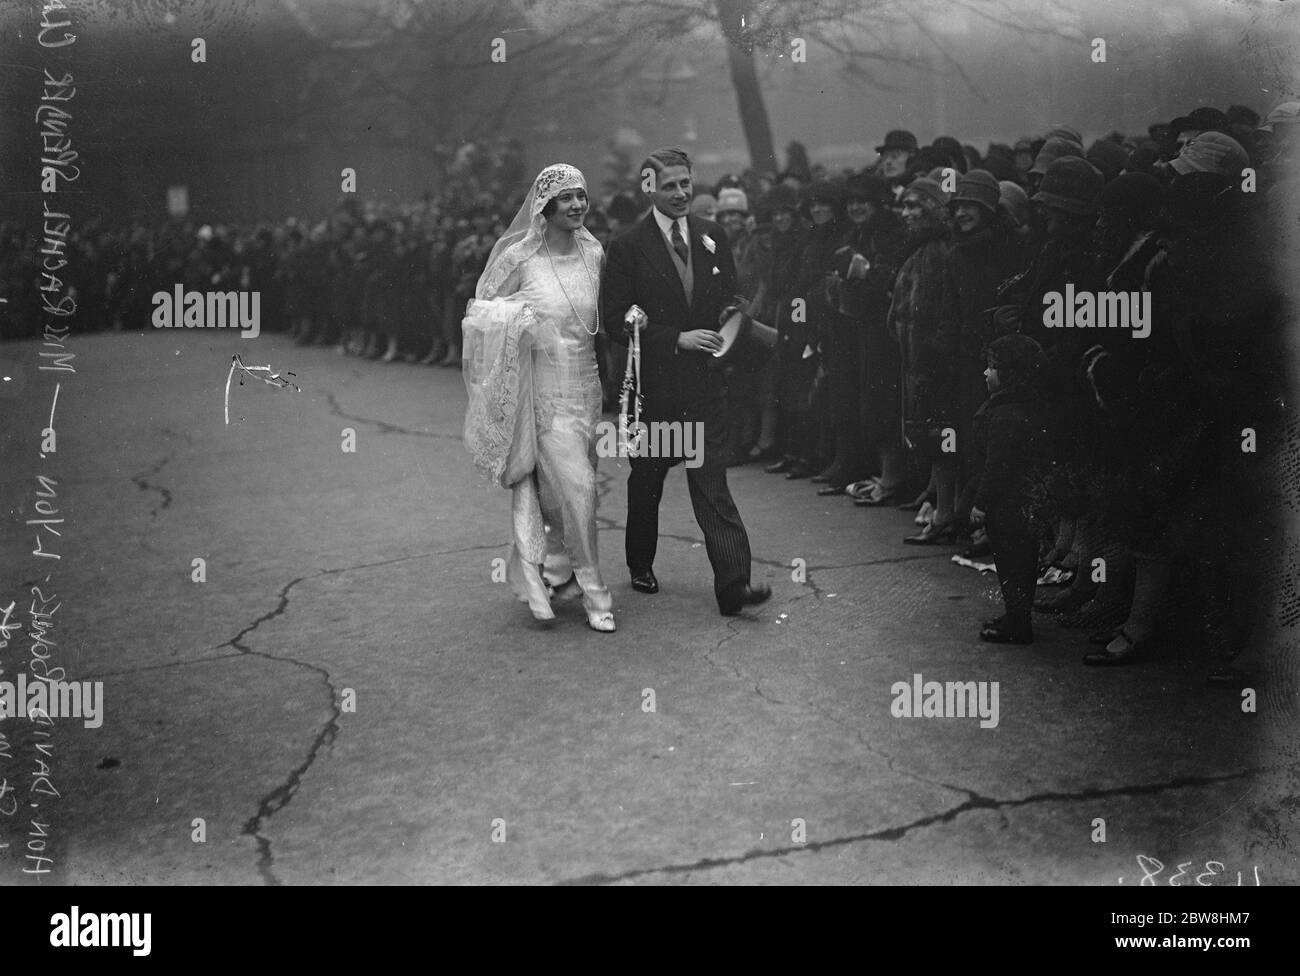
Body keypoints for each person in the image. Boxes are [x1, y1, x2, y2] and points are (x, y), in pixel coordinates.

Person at [602, 147, 772, 616]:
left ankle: (734, 586)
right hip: (655, 390)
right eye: (669, 185)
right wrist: (674, 337)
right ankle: (640, 562)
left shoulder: (712, 235)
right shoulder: (628, 244)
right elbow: (615, 319)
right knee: (649, 482)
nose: (680, 194)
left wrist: (729, 317)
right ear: (649, 187)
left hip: (704, 388)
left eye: (685, 184)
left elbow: (729, 294)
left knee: (711, 485)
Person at [461, 164, 616, 633]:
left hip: (587, 386)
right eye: (566, 198)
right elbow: (479, 316)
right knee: (579, 489)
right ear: (544, 207)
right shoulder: (520, 257)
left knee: (565, 490)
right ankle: (595, 594)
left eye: (581, 197)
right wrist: (519, 320)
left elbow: (601, 313)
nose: (576, 206)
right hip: (543, 390)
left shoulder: (594, 251)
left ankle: (553, 570)